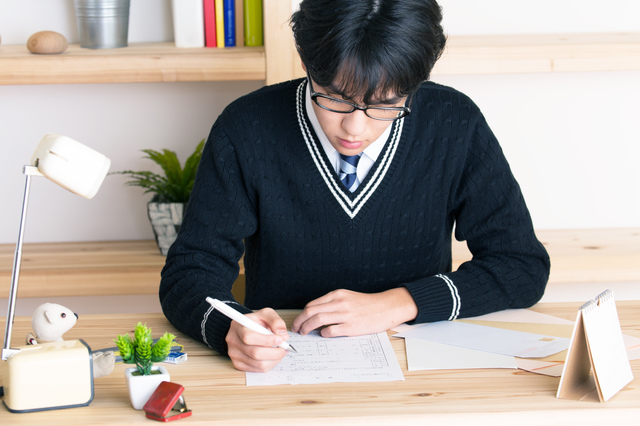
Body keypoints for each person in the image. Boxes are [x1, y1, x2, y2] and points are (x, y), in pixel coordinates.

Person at [159, 0, 550, 373]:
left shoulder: (454, 123)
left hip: (419, 365)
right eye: (335, 98)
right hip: (284, 364)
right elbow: (189, 272)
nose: (355, 128)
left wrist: (402, 302)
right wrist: (230, 328)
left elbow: (521, 265)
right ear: (306, 63)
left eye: (386, 103)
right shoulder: (246, 128)